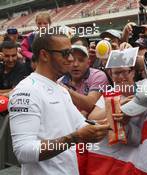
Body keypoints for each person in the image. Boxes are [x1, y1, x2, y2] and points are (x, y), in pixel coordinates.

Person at [8, 28, 110, 175]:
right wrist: (77, 137)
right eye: (65, 53)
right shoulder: (26, 90)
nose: (70, 59)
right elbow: (23, 151)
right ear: (44, 55)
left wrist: (108, 122)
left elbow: (81, 124)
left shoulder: (61, 88)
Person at [60, 44, 109, 114]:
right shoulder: (60, 81)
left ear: (88, 63)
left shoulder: (98, 76)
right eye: (71, 60)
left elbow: (90, 104)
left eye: (81, 60)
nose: (75, 64)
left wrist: (66, 90)